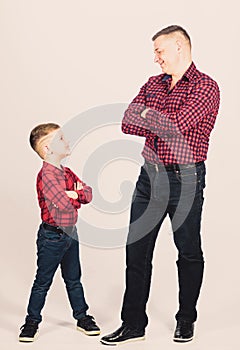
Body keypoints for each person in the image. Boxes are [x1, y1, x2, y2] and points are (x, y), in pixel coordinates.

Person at [101, 25, 220, 345]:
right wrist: (159, 119)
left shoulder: (206, 87)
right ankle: (133, 325)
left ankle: (186, 320)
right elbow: (128, 120)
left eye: (160, 51)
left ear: (180, 47)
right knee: (136, 251)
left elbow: (177, 126)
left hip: (186, 179)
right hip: (148, 178)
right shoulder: (153, 83)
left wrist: (149, 115)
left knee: (188, 252)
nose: (155, 59)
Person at [19, 123, 100, 342]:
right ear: (47, 149)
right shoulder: (46, 176)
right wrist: (75, 194)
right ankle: (31, 322)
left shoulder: (67, 173)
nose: (67, 141)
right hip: (51, 237)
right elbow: (62, 203)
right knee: (43, 281)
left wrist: (74, 194)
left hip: (70, 234)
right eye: (61, 139)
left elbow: (89, 194)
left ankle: (82, 317)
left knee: (74, 279)